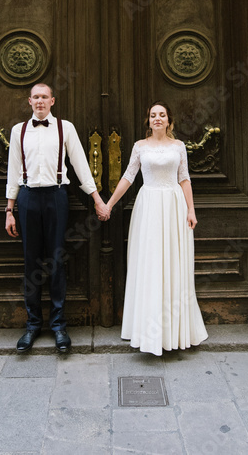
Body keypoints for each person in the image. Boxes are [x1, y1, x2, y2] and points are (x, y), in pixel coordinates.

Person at [98, 102, 208, 356]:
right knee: (150, 265)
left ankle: (175, 331)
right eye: (153, 115)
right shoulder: (140, 146)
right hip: (148, 208)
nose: (157, 118)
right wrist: (109, 204)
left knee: (173, 265)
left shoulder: (178, 147)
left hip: (173, 207)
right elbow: (128, 176)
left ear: (169, 120)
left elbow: (184, 178)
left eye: (162, 115)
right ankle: (148, 331)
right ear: (148, 121)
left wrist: (191, 210)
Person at [5, 82, 106, 353]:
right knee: (31, 261)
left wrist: (96, 199)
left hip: (57, 197)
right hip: (27, 198)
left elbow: (81, 165)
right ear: (29, 101)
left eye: (44, 97)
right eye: (35, 97)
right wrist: (9, 210)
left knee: (56, 260)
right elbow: (13, 169)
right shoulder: (19, 131)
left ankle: (59, 326)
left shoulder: (66, 128)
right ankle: (33, 325)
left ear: (52, 101)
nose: (40, 101)